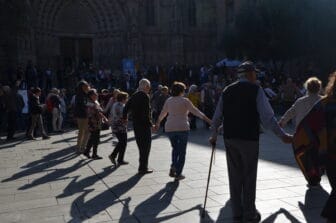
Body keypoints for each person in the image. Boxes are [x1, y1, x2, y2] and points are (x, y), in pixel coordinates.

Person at [209, 61, 293, 223]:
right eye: (255, 73)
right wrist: (282, 135)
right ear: (249, 75)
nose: (256, 76)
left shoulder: (227, 90)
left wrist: (213, 135)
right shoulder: (256, 90)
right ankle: (249, 214)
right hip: (249, 138)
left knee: (234, 176)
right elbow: (268, 117)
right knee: (249, 176)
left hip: (230, 138)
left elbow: (217, 117)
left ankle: (237, 213)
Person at [292, 72, 336, 223]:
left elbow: (306, 126)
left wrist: (314, 145)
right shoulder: (324, 104)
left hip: (328, 157)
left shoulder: (323, 104)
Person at [155, 82, 212, 180]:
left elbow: (163, 113)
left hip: (170, 128)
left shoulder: (169, 100)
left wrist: (158, 123)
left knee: (175, 149)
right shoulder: (185, 101)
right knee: (182, 151)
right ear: (182, 91)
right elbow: (196, 112)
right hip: (182, 127)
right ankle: (178, 173)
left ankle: (173, 165)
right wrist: (209, 120)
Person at [123, 79, 154, 174]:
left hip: (136, 125)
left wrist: (125, 118)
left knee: (141, 146)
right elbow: (146, 113)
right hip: (144, 126)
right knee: (146, 147)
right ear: (146, 87)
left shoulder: (134, 95)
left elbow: (126, 107)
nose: (149, 89)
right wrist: (150, 124)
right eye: (149, 87)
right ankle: (143, 168)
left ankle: (142, 166)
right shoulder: (145, 96)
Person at [83, 89, 107, 160]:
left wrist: (104, 117)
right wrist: (103, 117)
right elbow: (94, 113)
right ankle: (94, 154)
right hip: (93, 122)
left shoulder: (95, 101)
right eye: (95, 94)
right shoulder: (89, 103)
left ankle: (87, 151)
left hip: (97, 122)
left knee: (93, 137)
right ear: (91, 96)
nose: (97, 94)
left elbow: (100, 111)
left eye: (96, 93)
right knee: (96, 139)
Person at [109, 91, 129, 165]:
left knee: (123, 142)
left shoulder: (117, 104)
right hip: (119, 127)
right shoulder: (119, 106)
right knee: (122, 142)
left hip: (119, 126)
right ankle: (113, 156)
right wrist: (125, 120)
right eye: (126, 98)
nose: (127, 99)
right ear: (123, 99)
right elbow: (120, 116)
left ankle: (120, 159)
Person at [74, 81, 90, 153]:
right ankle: (79, 148)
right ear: (82, 87)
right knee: (82, 132)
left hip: (84, 114)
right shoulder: (80, 95)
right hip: (82, 115)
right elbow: (83, 105)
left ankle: (83, 147)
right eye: (86, 86)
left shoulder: (84, 94)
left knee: (86, 131)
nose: (88, 87)